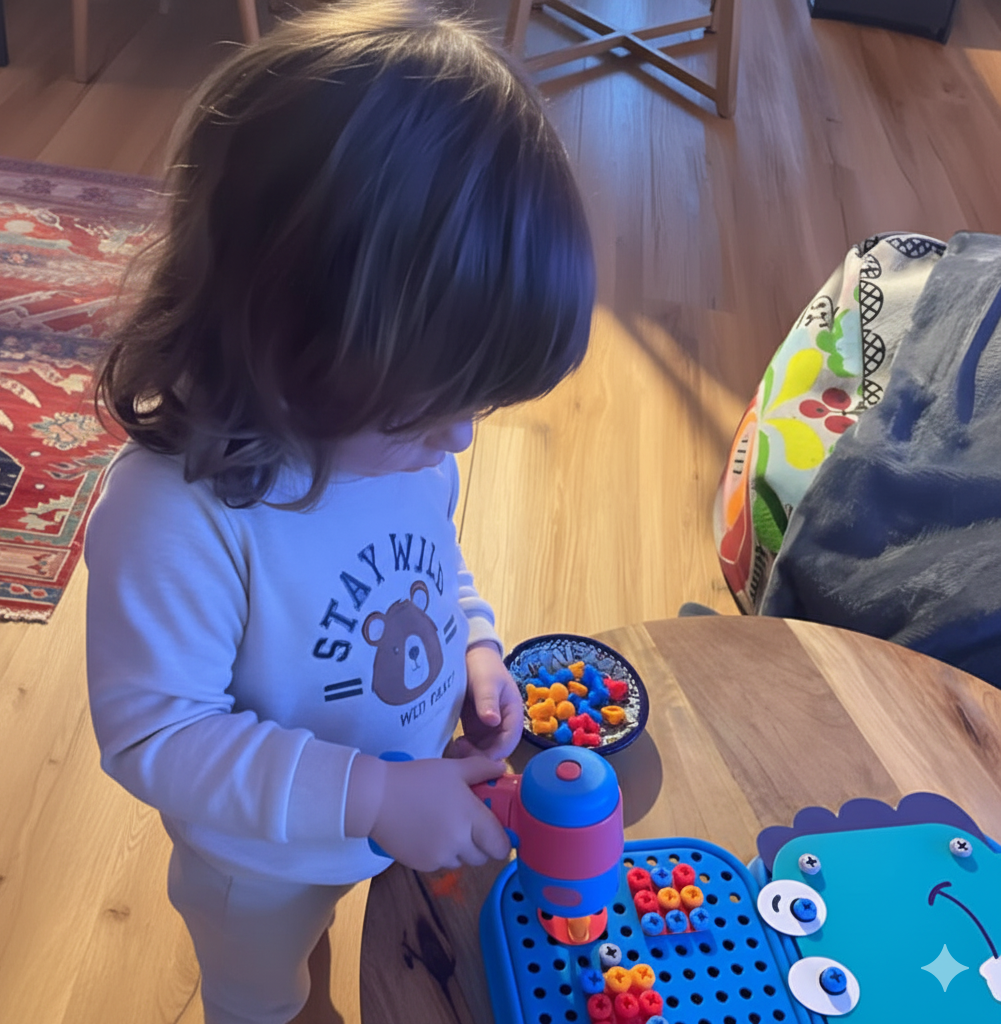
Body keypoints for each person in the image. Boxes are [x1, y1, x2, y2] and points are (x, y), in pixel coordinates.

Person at [83, 3, 596, 1022]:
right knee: (274, 995)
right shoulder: (176, 518)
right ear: (286, 338)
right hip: (259, 866)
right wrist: (369, 793)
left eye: (474, 405)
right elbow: (155, 734)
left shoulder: (395, 445)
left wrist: (477, 647)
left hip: (392, 805)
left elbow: (431, 563)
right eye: (429, 406)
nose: (455, 441)